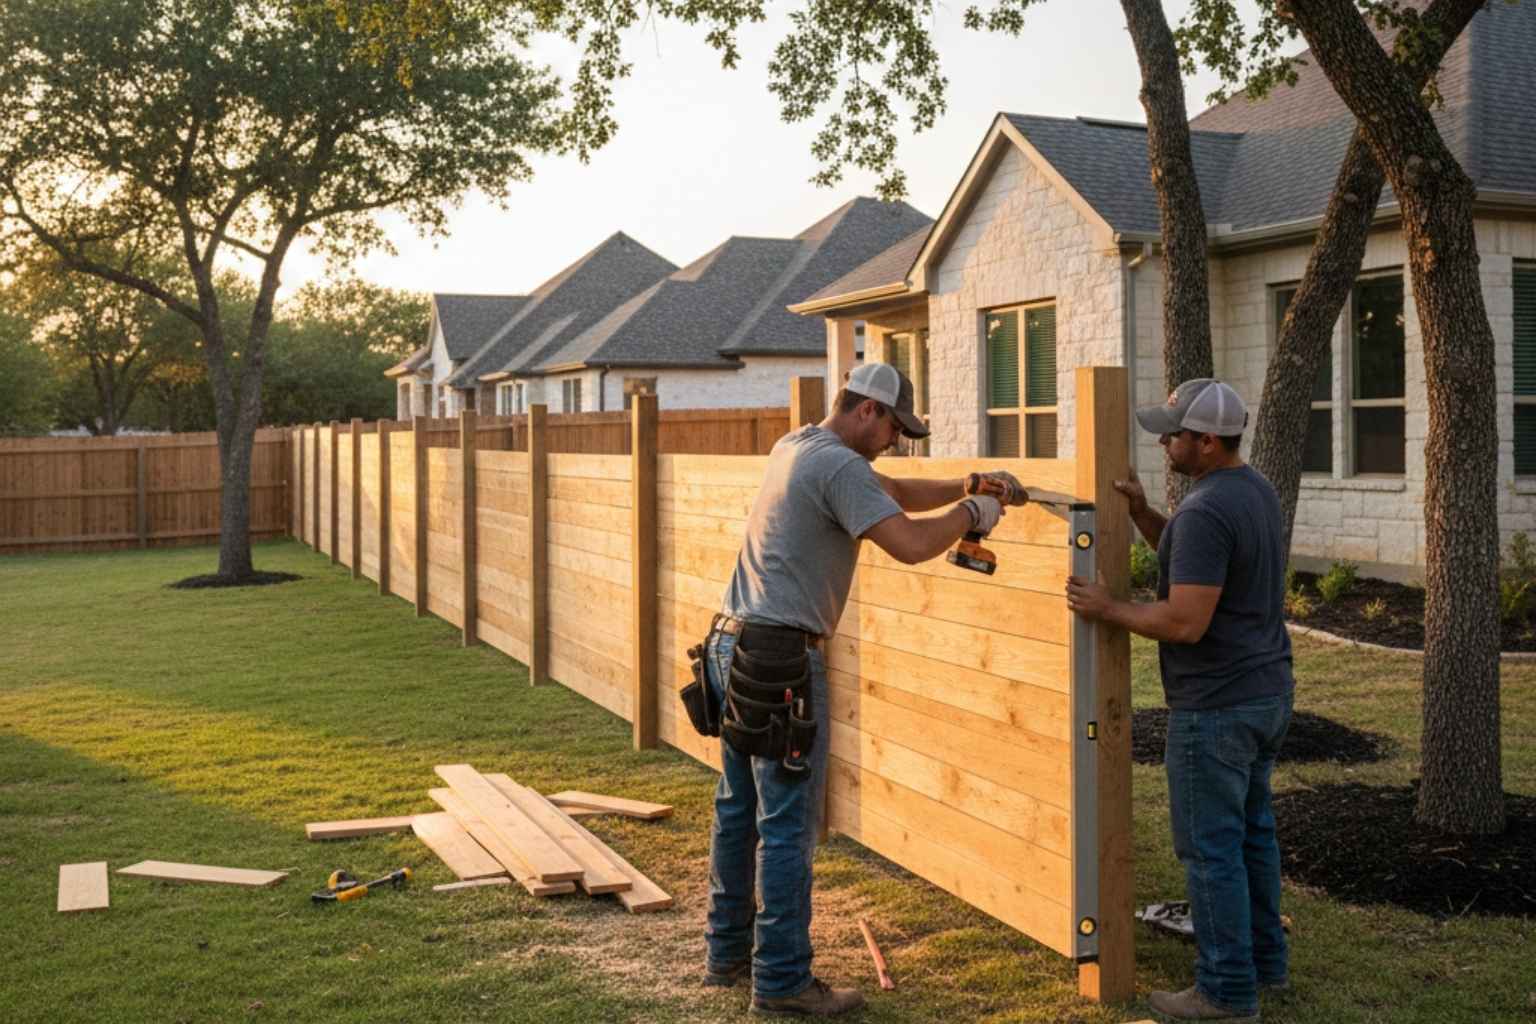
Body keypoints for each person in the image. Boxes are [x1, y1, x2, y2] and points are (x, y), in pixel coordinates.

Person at [700, 361, 1021, 1016]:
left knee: (738, 809)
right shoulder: (838, 467)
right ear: (868, 410)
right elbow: (909, 542)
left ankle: (726, 953)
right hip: (781, 661)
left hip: (734, 643)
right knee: (786, 824)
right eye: (895, 427)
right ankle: (782, 982)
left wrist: (964, 484)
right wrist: (973, 511)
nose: (896, 441)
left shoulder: (798, 444)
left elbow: (890, 489)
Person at [1065, 378, 1293, 1023]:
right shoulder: (1252, 492)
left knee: (1210, 849)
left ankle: (1225, 991)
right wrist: (1142, 514)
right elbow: (1199, 563)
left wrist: (1109, 607)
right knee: (1252, 837)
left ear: (1209, 442)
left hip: (1216, 708)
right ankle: (1265, 964)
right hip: (1265, 695)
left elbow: (1185, 621)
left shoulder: (1204, 510)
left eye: (1174, 435)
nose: (1164, 444)